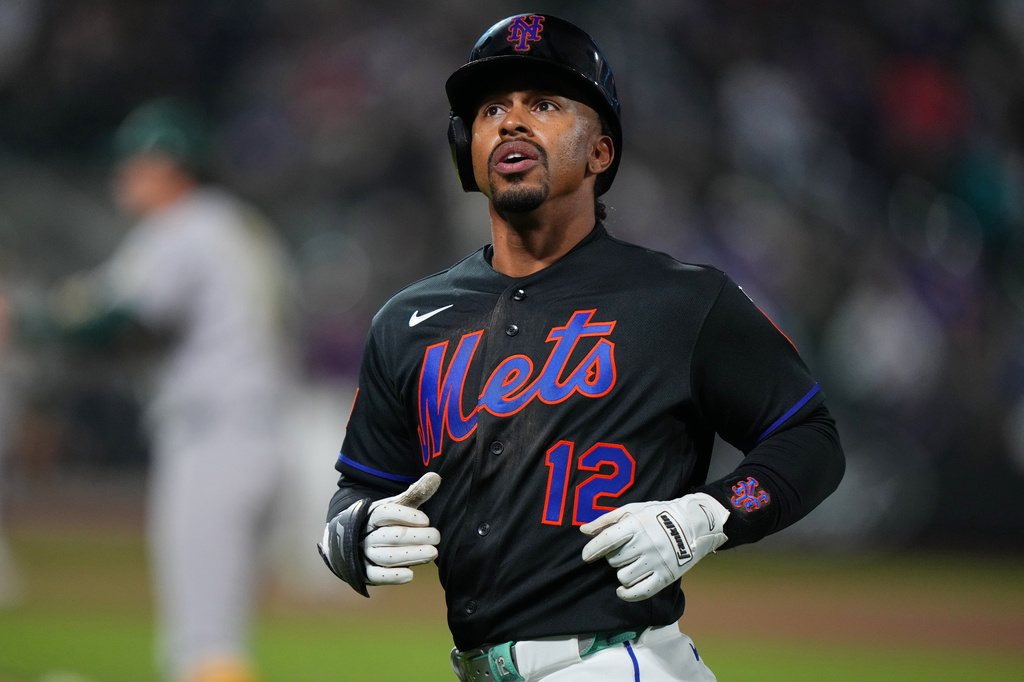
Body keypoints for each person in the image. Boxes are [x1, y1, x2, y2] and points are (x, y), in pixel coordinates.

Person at [318, 14, 845, 682]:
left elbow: (811, 439)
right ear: (467, 148)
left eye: (543, 104)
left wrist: (712, 512)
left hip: (619, 663)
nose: (511, 122)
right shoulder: (409, 321)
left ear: (601, 152)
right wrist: (346, 531)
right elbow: (362, 484)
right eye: (491, 109)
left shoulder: (683, 301)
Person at [2, 99, 295, 682]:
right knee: (213, 640)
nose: (122, 176)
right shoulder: (237, 224)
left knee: (203, 647)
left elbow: (115, 318)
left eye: (132, 162)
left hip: (215, 439)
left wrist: (26, 319)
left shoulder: (184, 227)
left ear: (167, 164)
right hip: (259, 435)